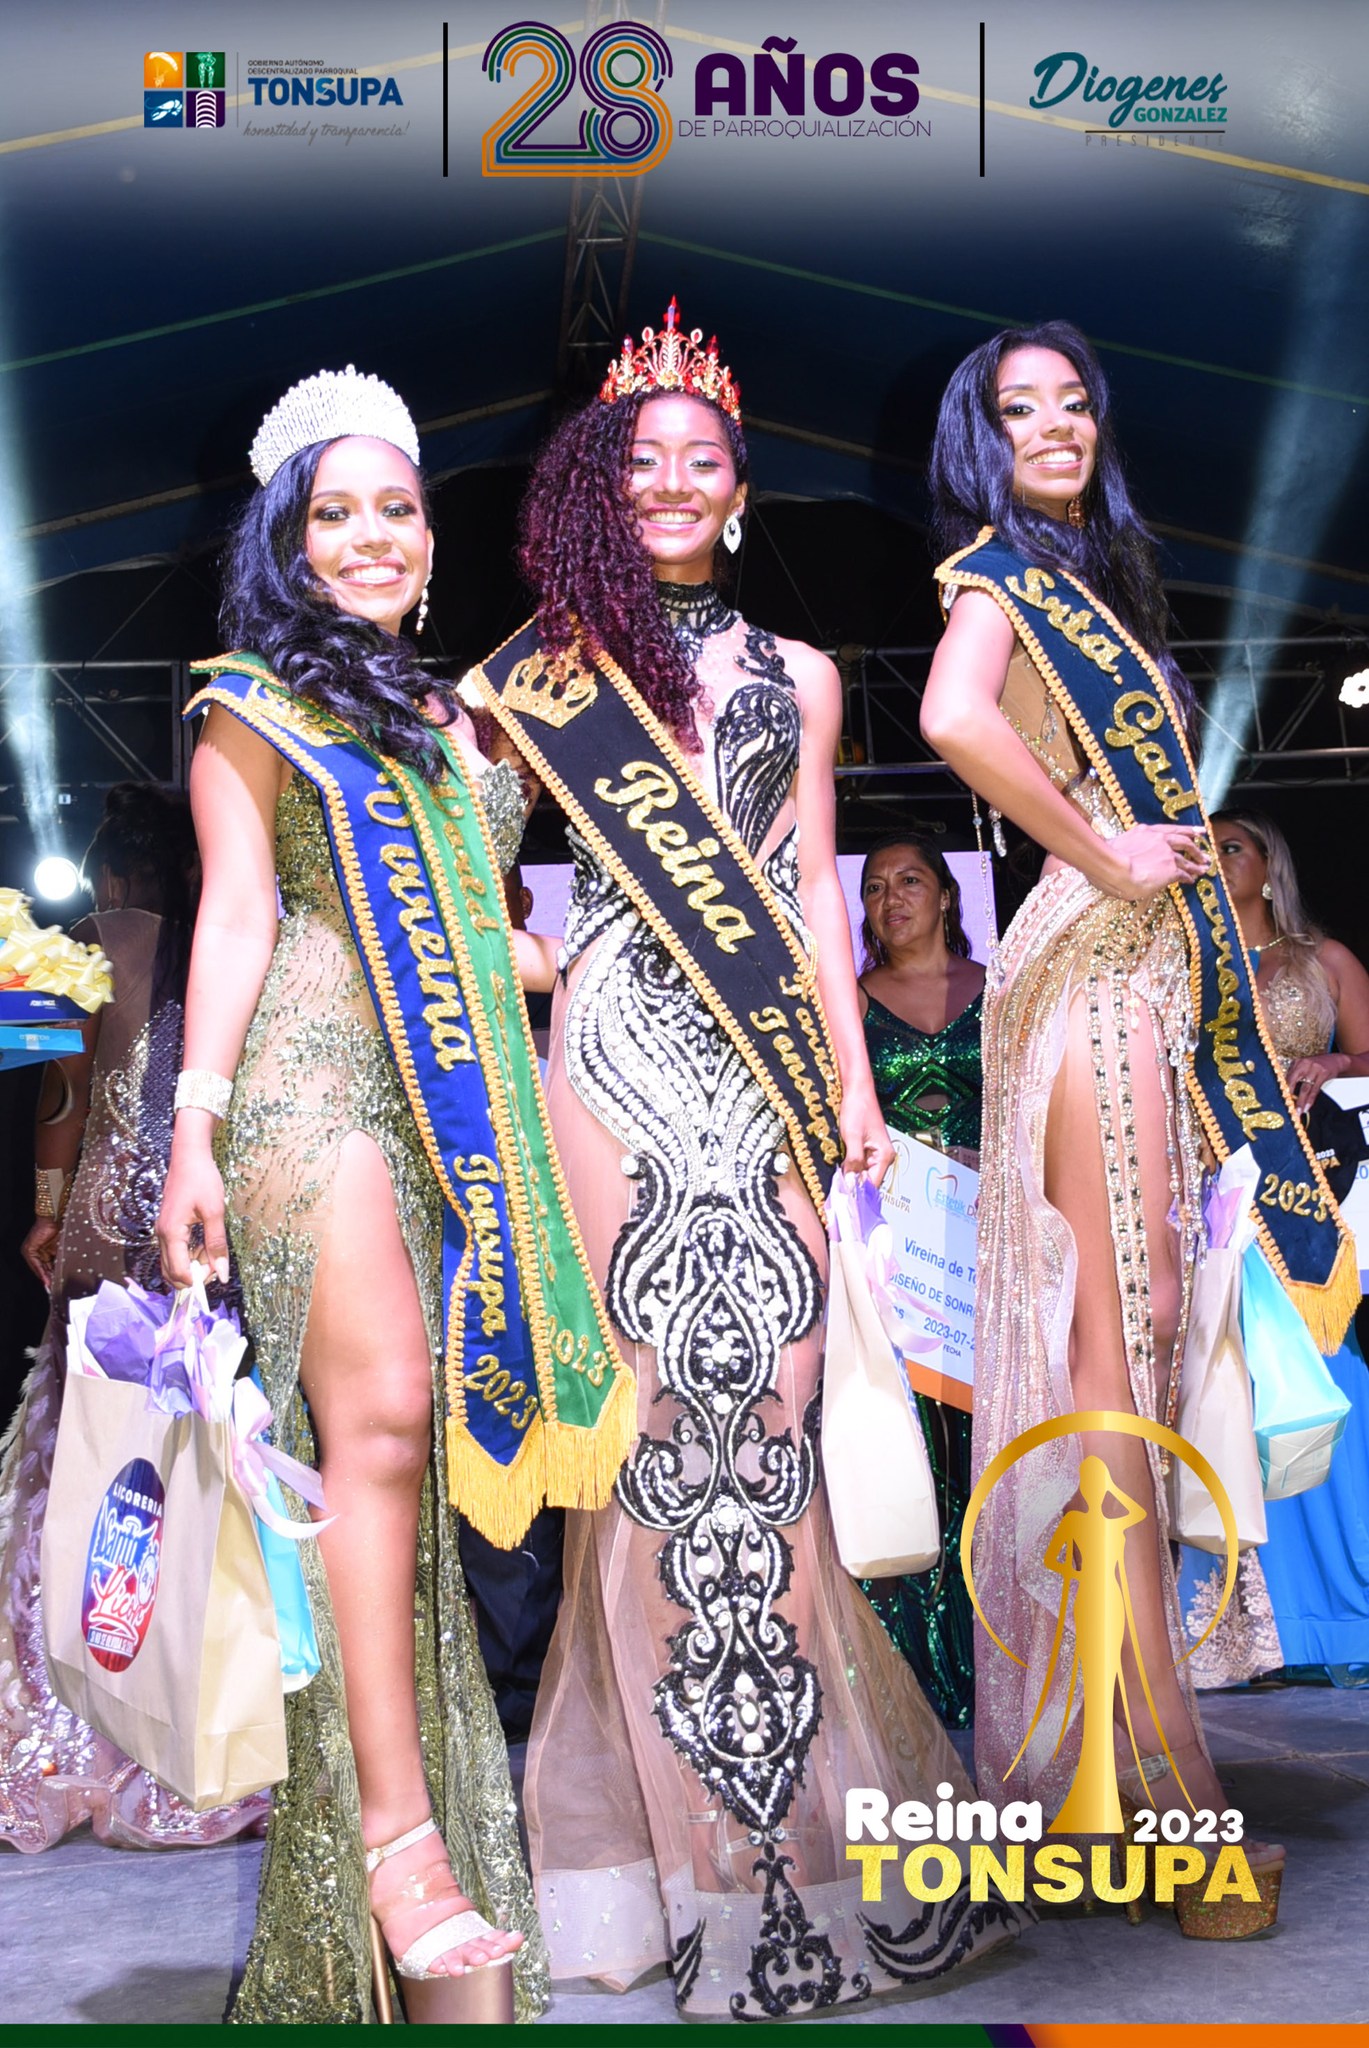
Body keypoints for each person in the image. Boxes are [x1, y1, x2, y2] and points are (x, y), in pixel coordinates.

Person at [467, 303, 1028, 2018]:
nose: (670, 481)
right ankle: (680, 1865)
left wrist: (850, 1088)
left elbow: (804, 895)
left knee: (768, 1438)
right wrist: (547, 964)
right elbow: (456, 879)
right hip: (610, 1072)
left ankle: (792, 1844)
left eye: (699, 459)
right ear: (599, 482)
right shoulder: (541, 673)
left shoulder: (801, 675)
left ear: (737, 485)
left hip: (764, 1071)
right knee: (650, 1445)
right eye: (639, 458)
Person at [156, 367, 633, 2024]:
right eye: (334, 512)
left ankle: (395, 1830)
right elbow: (235, 917)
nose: (371, 534)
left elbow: (472, 926)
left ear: (432, 535)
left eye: (397, 508)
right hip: (308, 1078)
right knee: (379, 1424)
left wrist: (549, 960)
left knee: (413, 1464)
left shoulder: (462, 721)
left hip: (449, 1113)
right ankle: (395, 1842)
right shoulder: (250, 705)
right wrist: (195, 1127)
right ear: (287, 540)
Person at [921, 321, 1355, 1936]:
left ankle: (1114, 1753)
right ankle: (1161, 1785)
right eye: (1017, 408)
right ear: (980, 441)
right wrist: (1099, 846)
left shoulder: (1091, 586)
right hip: (1092, 972)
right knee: (1121, 1340)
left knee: (1143, 1347)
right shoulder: (996, 581)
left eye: (1072, 402)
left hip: (1149, 984)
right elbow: (955, 716)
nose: (1053, 424)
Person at [0, 785, 269, 1852]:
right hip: (200, 1229)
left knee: (83, 1474)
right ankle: (188, 1726)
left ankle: (70, 1725)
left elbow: (63, 1098)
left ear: (111, 872)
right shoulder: (225, 944)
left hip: (105, 1229)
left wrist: (46, 1209)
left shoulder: (83, 952)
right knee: (188, 1475)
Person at [1179, 810, 1369, 1684]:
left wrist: (1332, 1065)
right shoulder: (1182, 967)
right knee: (1223, 1386)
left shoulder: (1322, 960)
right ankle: (1250, 1625)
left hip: (1305, 1203)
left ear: (1267, 865)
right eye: (1204, 848)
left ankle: (1336, 1612)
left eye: (1232, 847)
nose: (1216, 859)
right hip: (1212, 1203)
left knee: (1321, 1382)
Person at [855, 834, 984, 1729]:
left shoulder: (1000, 989)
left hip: (989, 1251)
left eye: (909, 881)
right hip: (895, 1261)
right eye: (873, 887)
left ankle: (999, 1659)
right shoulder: (851, 1003)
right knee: (904, 1448)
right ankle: (908, 1668)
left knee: (987, 1445)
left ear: (944, 895)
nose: (891, 898)